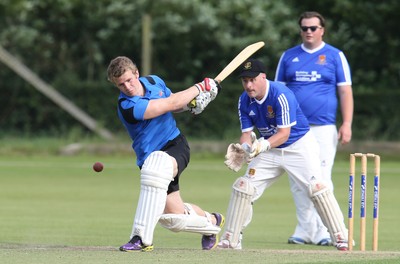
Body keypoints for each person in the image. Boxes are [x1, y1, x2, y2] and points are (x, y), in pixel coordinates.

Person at [218, 58, 349, 251]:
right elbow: (247, 134)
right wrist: (244, 149)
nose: (248, 85)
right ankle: (231, 238)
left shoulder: (280, 94)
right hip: (270, 150)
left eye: (252, 80)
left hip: (299, 146)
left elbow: (284, 133)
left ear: (263, 77)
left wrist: (261, 146)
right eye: (245, 80)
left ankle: (340, 236)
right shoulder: (244, 100)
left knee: (317, 188)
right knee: (243, 187)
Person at [106, 56, 224, 252]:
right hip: (149, 156)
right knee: (174, 219)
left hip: (174, 145)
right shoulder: (127, 106)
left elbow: (176, 104)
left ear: (136, 73)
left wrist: (193, 104)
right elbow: (168, 105)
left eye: (129, 80)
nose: (127, 86)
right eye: (121, 85)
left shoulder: (154, 81)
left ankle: (140, 238)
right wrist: (201, 87)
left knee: (157, 166)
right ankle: (211, 222)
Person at [274, 11, 354, 246]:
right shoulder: (289, 57)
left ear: (322, 30)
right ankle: (305, 229)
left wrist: (347, 123)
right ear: (300, 30)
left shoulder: (334, 56)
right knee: (298, 180)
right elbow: (278, 92)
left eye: (313, 28)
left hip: (323, 126)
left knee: (320, 178)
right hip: (294, 129)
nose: (309, 32)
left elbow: (345, 91)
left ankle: (325, 230)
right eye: (305, 28)